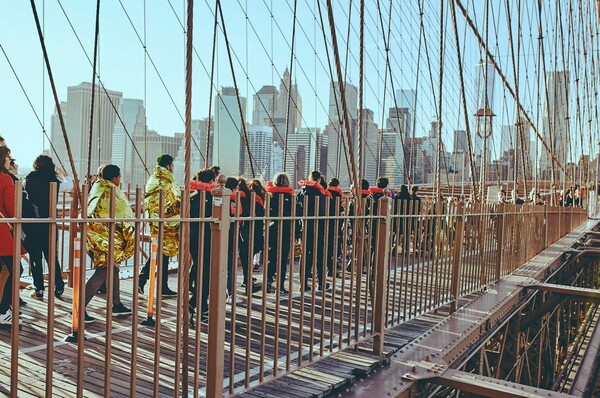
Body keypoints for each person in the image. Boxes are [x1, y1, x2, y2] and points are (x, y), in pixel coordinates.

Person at [83, 165, 133, 322]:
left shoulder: (97, 188)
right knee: (103, 271)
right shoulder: (109, 192)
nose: (119, 181)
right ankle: (78, 308)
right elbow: (123, 216)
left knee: (114, 269)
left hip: (98, 237)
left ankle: (116, 304)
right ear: (115, 179)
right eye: (119, 178)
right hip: (104, 239)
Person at [23, 155, 73, 300]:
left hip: (32, 224)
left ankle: (39, 289)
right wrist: (63, 173)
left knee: (35, 257)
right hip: (49, 224)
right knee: (51, 256)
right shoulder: (54, 181)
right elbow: (70, 185)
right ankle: (59, 285)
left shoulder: (28, 180)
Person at [139, 155, 179, 297]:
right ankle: (157, 284)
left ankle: (146, 280)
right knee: (164, 252)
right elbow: (175, 198)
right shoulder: (166, 179)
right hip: (165, 220)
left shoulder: (153, 178)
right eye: (172, 165)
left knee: (160, 252)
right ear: (168, 166)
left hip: (154, 219)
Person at [189, 168, 218, 327]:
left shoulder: (191, 197)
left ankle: (202, 307)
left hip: (192, 239)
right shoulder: (214, 199)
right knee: (207, 274)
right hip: (208, 239)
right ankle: (194, 304)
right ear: (212, 181)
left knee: (201, 270)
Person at [0, 146, 24, 325]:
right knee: (17, 268)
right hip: (2, 234)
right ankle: (3, 310)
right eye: (8, 157)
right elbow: (13, 208)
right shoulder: (5, 179)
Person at [297, 170, 329, 291]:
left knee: (305, 255)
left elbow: (298, 211)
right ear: (319, 180)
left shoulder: (301, 193)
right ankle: (321, 283)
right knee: (320, 255)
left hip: (305, 227)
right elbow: (323, 212)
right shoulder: (320, 194)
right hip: (318, 228)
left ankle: (303, 284)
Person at [266, 172, 297, 294]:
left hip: (273, 228)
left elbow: (265, 212)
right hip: (286, 229)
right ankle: (280, 286)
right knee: (283, 258)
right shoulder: (291, 198)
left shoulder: (270, 196)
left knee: (272, 256)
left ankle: (268, 281)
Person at [250, 179, 266, 272]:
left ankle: (252, 264)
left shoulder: (247, 197)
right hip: (259, 224)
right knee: (257, 245)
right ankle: (256, 263)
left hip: (248, 224)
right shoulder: (261, 197)